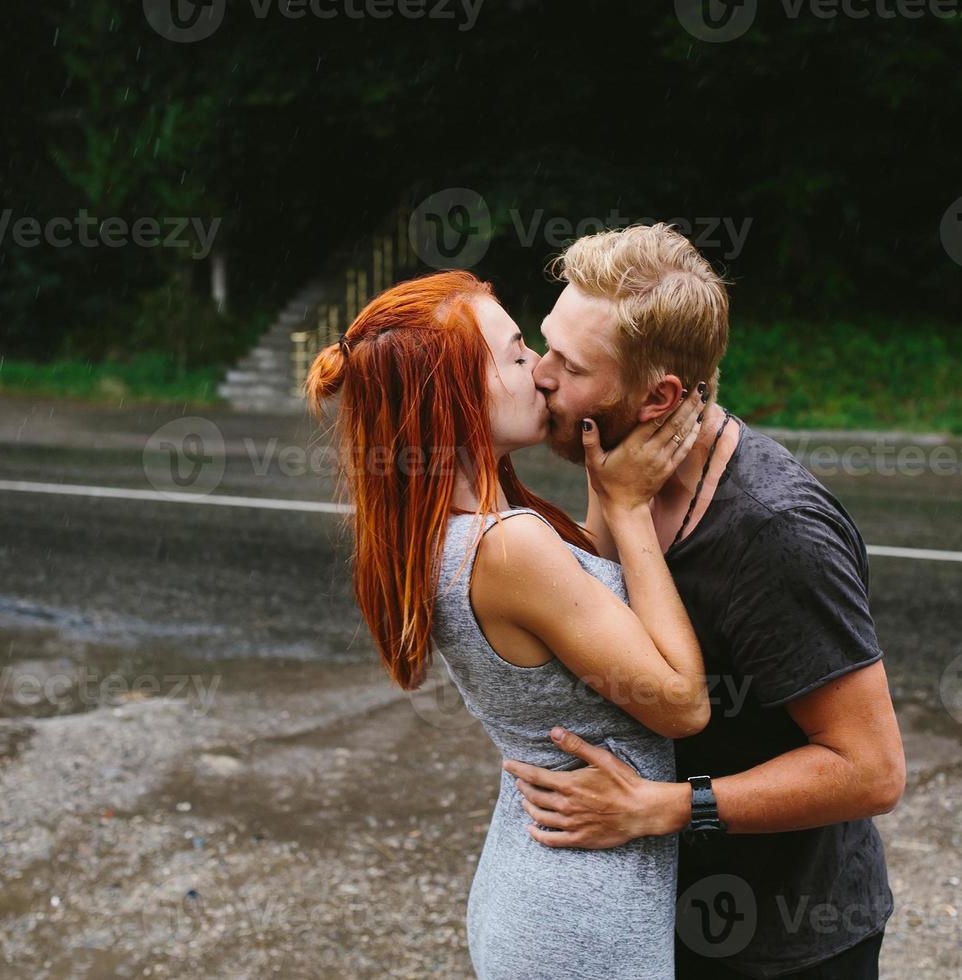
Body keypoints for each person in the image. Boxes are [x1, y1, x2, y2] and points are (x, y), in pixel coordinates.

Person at [500, 224, 907, 979]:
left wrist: (664, 806)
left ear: (659, 398)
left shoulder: (777, 534)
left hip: (788, 944)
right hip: (666, 915)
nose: (542, 375)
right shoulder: (617, 459)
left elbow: (872, 769)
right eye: (545, 344)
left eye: (572, 364)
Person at [305, 268, 714, 979]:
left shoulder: (454, 533)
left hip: (545, 883)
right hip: (579, 917)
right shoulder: (509, 546)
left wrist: (605, 482)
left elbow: (588, 601)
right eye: (517, 353)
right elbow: (681, 704)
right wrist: (627, 511)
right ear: (456, 397)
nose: (541, 372)